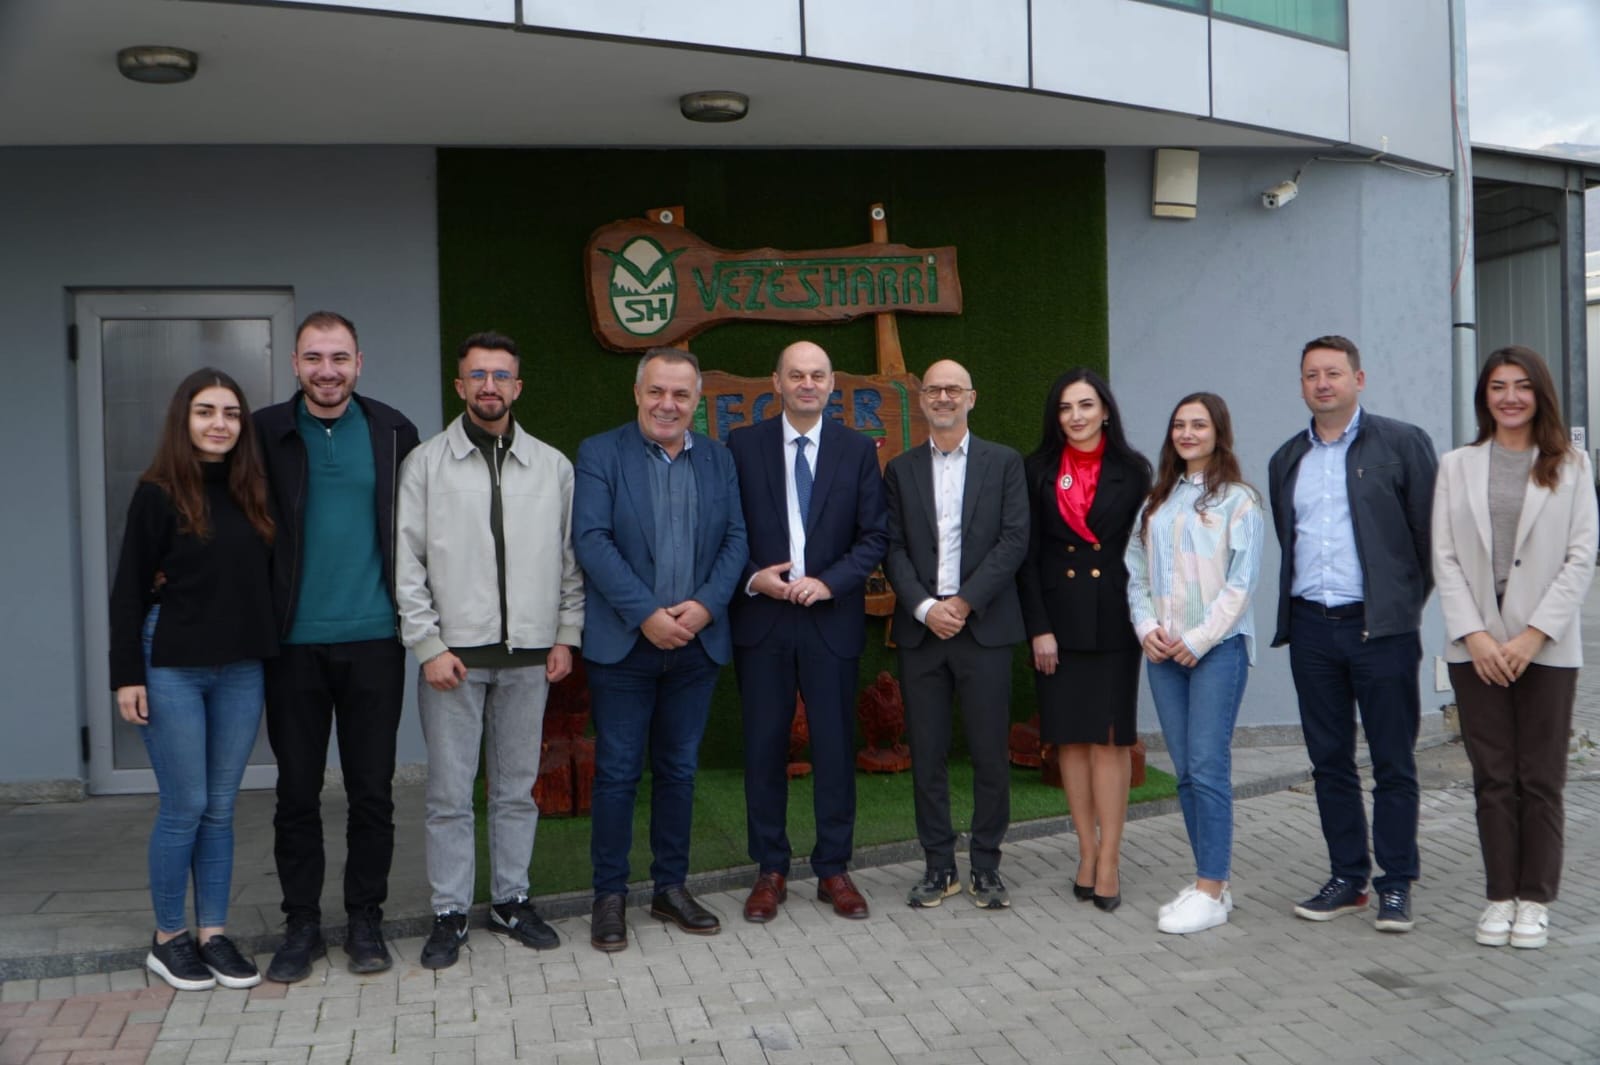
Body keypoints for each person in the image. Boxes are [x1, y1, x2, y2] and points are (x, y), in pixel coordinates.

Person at [395, 331, 584, 969]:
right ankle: (450, 912)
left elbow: (569, 562)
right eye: (477, 376)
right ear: (460, 386)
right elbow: (408, 564)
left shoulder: (553, 467)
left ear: (518, 387)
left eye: (501, 376)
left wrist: (565, 635)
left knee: (515, 790)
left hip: (530, 659)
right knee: (450, 794)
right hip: (453, 662)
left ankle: (510, 901)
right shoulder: (425, 465)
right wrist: (427, 645)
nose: (489, 387)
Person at [255, 311, 420, 981]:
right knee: (295, 792)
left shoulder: (392, 430)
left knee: (371, 791)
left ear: (360, 362)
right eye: (314, 357)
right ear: (295, 363)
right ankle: (301, 924)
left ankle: (364, 919)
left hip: (376, 639)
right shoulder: (265, 431)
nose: (328, 370)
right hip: (291, 642)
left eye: (340, 357)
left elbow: (419, 528)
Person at [573, 347, 748, 952]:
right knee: (618, 774)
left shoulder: (719, 458)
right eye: (657, 392)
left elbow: (736, 538)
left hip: (697, 645)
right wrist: (647, 614)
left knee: (678, 771)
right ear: (637, 392)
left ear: (696, 401)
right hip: (625, 645)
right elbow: (591, 541)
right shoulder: (601, 453)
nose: (667, 405)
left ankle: (670, 888)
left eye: (680, 395)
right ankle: (609, 896)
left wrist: (704, 608)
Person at [109, 368, 278, 991]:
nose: (219, 424)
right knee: (187, 805)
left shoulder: (253, 491)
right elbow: (129, 588)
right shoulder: (157, 492)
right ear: (184, 420)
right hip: (171, 665)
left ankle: (213, 934)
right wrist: (126, 676)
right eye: (205, 411)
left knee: (222, 809)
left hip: (239, 670)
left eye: (231, 413)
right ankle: (167, 939)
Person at [1267, 335, 1437, 932]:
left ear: (1358, 380)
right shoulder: (1288, 458)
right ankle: (1348, 877)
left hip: (1381, 631)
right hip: (1313, 628)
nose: (1322, 383)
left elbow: (1428, 542)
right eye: (1311, 374)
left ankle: (1395, 884)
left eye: (1333, 373)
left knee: (1393, 760)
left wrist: (1399, 608)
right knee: (1329, 760)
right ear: (1303, 384)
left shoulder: (1403, 444)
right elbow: (1291, 542)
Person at [1432, 346, 1596, 950]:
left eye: (1522, 386)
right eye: (1498, 386)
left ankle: (1536, 900)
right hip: (1475, 648)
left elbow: (1582, 558)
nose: (1510, 397)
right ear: (1485, 397)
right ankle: (1499, 895)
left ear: (1540, 394)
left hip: (1546, 648)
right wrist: (1474, 634)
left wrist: (1533, 635)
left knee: (1541, 778)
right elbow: (1444, 555)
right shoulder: (1457, 465)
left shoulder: (1570, 465)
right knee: (1494, 778)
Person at [727, 340, 888, 923]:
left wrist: (831, 583)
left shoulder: (854, 450)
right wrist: (752, 579)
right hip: (762, 621)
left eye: (818, 375)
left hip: (830, 620)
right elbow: (725, 528)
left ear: (831, 384)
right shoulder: (742, 446)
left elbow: (874, 535)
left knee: (835, 748)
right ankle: (770, 869)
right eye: (796, 374)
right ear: (776, 382)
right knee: (764, 747)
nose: (807, 384)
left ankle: (833, 869)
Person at [882, 359, 1028, 910]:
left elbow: (1014, 541)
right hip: (923, 634)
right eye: (934, 389)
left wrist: (963, 603)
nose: (943, 397)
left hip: (983, 629)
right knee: (928, 754)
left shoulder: (1004, 463)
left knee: (991, 753)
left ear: (973, 398)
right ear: (922, 399)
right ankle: (938, 865)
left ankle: (987, 866)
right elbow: (891, 547)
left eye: (954, 390)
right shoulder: (900, 469)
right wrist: (924, 607)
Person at [1125, 393, 1263, 933]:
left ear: (1218, 432)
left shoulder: (1239, 501)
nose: (1187, 433)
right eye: (1179, 425)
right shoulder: (1156, 502)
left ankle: (1211, 886)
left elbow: (1242, 584)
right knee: (1184, 772)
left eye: (1198, 425)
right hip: (1162, 653)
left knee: (1208, 767)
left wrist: (1199, 640)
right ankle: (1211, 882)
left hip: (1216, 652)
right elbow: (1136, 572)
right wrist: (1145, 628)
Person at [1018, 368, 1152, 913]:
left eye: (1086, 405)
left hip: (1117, 620)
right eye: (1066, 407)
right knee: (1070, 739)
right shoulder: (1036, 470)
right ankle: (1085, 850)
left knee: (1111, 739)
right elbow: (1025, 556)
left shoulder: (1134, 470)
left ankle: (1112, 859)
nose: (1076, 416)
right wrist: (1038, 628)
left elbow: (1147, 549)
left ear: (1105, 411)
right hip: (1059, 624)